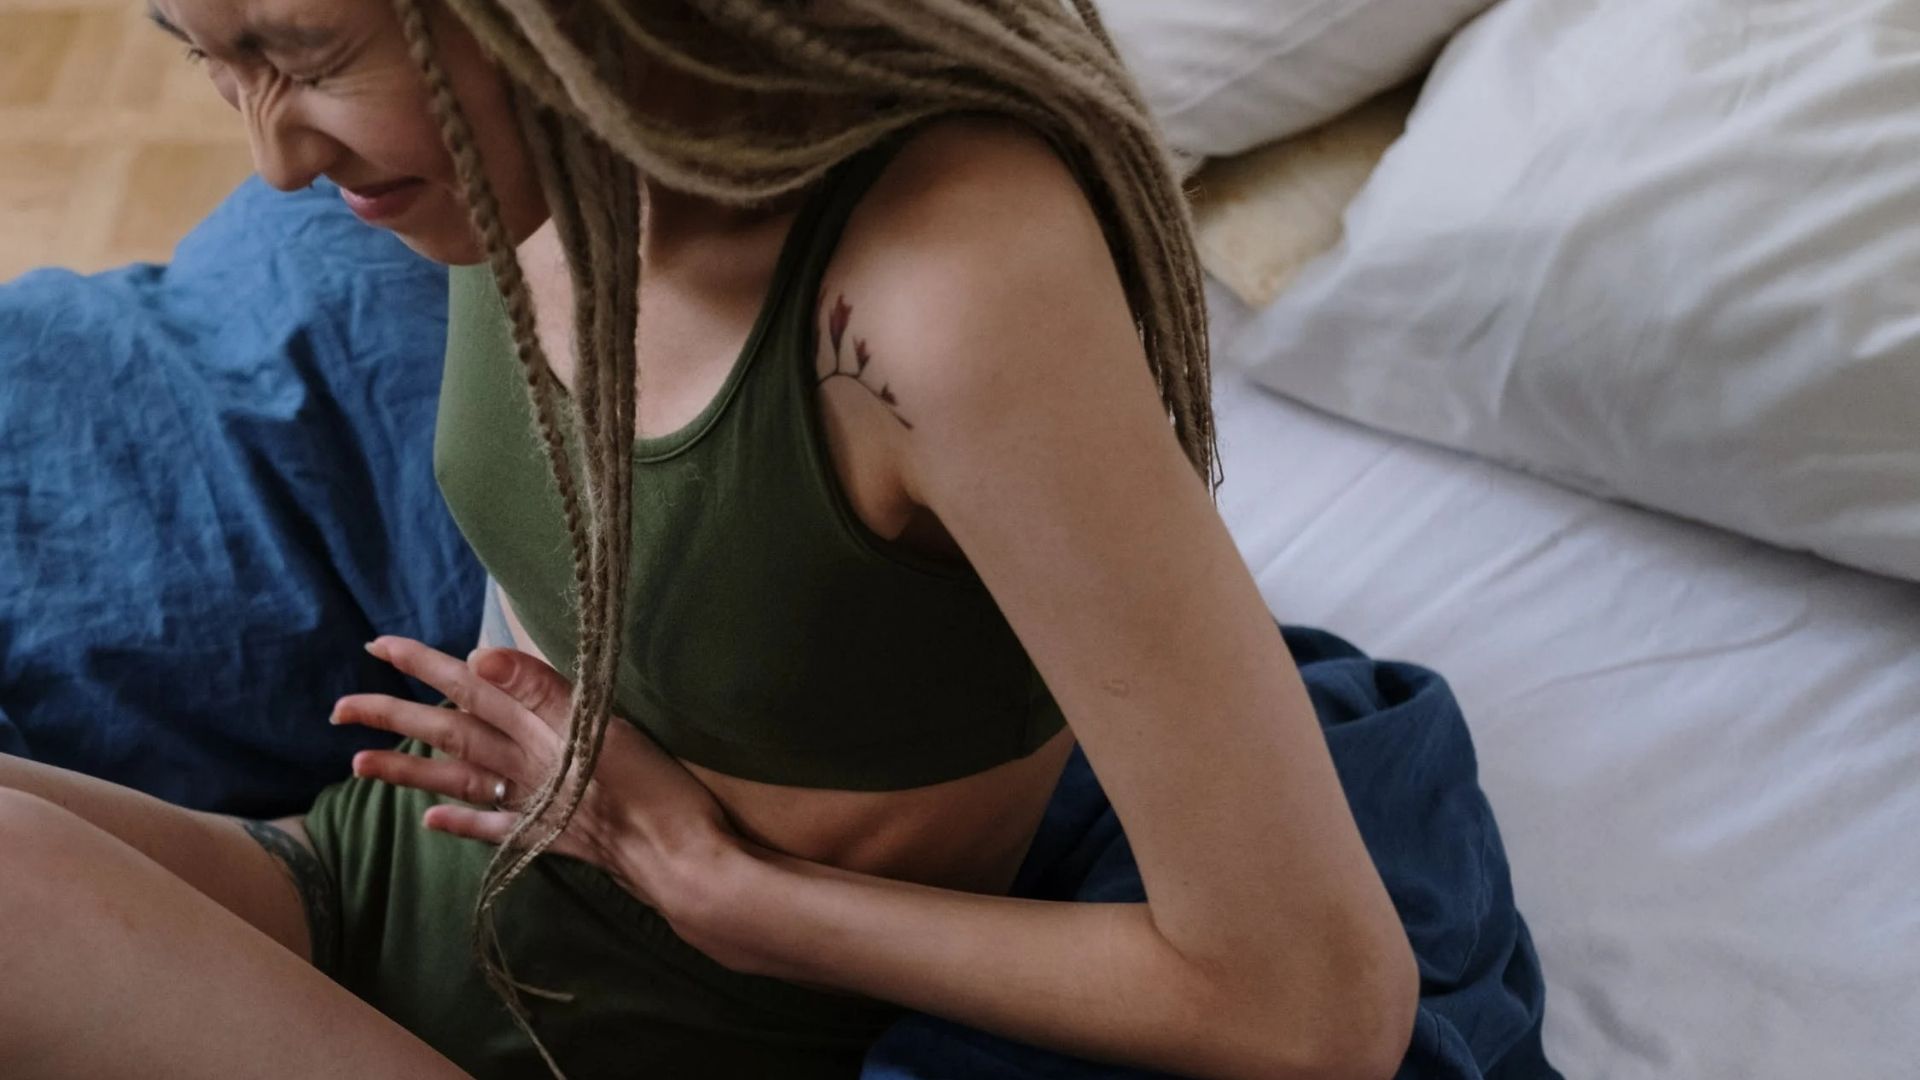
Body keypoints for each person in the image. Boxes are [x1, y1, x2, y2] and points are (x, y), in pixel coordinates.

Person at [0, 2, 1553, 1078]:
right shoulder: (528, 168)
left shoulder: (938, 298)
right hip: (342, 889)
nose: (276, 159)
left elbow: (1316, 1006)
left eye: (306, 54)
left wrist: (724, 891)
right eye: (211, 60)